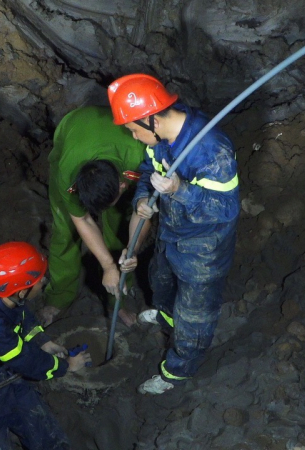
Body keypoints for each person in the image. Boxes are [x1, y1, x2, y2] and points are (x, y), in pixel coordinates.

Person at [108, 74, 240, 395]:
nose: (135, 137)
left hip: (203, 247)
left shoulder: (211, 151)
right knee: (161, 280)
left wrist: (180, 190)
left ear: (150, 119)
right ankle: (167, 317)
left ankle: (176, 372)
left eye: (134, 129)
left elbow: (223, 211)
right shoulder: (161, 139)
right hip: (171, 230)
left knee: (194, 316)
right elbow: (147, 173)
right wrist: (142, 199)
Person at [0, 242, 92, 450]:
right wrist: (66, 366)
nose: (44, 281)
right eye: (39, 280)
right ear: (21, 292)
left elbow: (19, 313)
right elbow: (25, 360)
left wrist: (42, 341)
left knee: (46, 434)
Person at [42, 105, 149, 327]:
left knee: (119, 228)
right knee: (65, 231)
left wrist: (132, 250)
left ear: (123, 185)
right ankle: (60, 296)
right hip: (74, 126)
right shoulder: (68, 172)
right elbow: (82, 219)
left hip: (115, 138)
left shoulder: (138, 156)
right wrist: (108, 266)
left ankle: (117, 299)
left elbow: (144, 210)